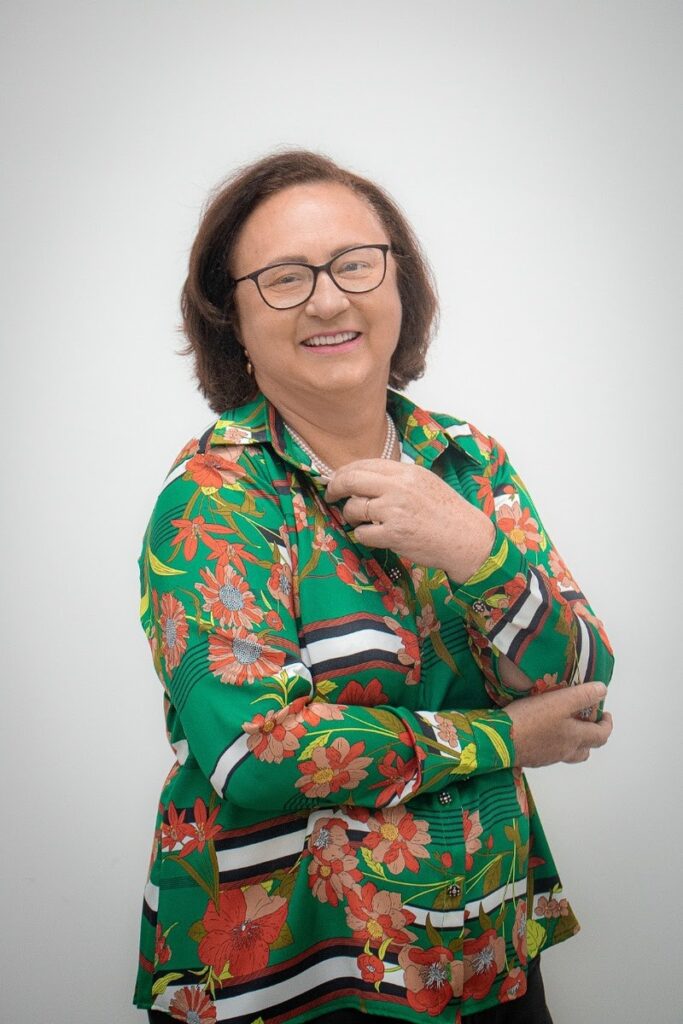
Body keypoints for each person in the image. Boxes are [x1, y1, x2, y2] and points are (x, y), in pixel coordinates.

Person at [134, 149, 614, 1024]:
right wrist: (506, 736)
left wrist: (475, 550)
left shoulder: (467, 461)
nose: (328, 300)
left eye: (355, 264)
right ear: (232, 319)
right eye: (285, 278)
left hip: (483, 947)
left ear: (400, 283)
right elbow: (257, 753)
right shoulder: (214, 495)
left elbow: (580, 683)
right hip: (294, 971)